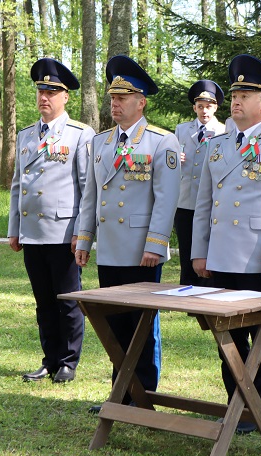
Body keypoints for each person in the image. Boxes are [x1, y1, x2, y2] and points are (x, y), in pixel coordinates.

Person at [191, 54, 261, 434]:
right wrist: (200, 252)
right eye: (235, 95)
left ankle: (259, 407)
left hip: (258, 259)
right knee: (229, 338)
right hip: (221, 257)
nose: (236, 101)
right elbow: (204, 204)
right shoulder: (217, 145)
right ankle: (235, 402)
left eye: (245, 95)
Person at [75, 55, 180, 413]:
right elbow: (91, 195)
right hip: (109, 248)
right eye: (113, 98)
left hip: (140, 249)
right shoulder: (100, 142)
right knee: (115, 324)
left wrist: (156, 243)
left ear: (141, 102)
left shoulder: (161, 142)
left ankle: (143, 394)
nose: (115, 104)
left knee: (141, 325)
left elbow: (166, 200)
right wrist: (84, 238)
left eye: (123, 98)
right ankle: (120, 391)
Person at [9, 58, 93, 384]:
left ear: (65, 97)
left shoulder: (80, 135)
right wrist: (14, 229)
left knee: (68, 301)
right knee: (43, 303)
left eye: (52, 92)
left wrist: (82, 233)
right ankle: (50, 359)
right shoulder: (26, 135)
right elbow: (18, 184)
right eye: (41, 91)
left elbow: (87, 188)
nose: (44, 97)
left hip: (63, 232)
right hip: (32, 232)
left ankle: (69, 361)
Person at [174, 80, 225, 286]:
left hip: (210, 202)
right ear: (194, 107)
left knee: (208, 254)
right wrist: (174, 159)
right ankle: (186, 289)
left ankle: (207, 290)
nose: (204, 111)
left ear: (216, 108)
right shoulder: (181, 130)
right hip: (185, 201)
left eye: (209, 106)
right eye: (200, 106)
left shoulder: (223, 131)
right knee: (186, 252)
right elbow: (171, 161)